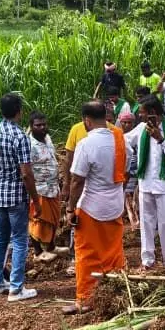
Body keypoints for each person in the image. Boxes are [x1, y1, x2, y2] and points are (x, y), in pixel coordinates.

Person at [66, 101, 128, 315]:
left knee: (87, 253)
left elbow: (77, 181)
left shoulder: (86, 144)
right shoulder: (120, 140)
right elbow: (126, 169)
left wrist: (69, 208)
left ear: (86, 120)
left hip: (91, 206)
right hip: (115, 203)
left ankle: (85, 299)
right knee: (113, 251)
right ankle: (117, 292)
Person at [0, 93, 40, 301]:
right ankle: (16, 288)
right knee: (19, 241)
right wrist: (35, 198)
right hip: (16, 196)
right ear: (19, 111)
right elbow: (26, 173)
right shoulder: (19, 136)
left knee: (1, 238)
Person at [123, 96, 165, 271]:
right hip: (146, 184)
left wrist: (161, 139)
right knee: (146, 224)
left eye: (143, 113)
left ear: (153, 112)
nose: (141, 117)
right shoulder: (141, 129)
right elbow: (123, 140)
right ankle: (148, 260)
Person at [27, 111, 62, 263]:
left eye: (44, 124)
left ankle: (51, 246)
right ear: (31, 126)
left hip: (53, 187)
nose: (42, 127)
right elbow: (26, 168)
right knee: (39, 219)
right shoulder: (29, 144)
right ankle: (38, 251)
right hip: (39, 188)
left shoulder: (47, 138)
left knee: (54, 218)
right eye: (38, 125)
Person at [118, 108, 140, 229]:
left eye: (130, 122)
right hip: (125, 171)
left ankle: (135, 222)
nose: (127, 125)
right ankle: (133, 222)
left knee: (134, 197)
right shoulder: (118, 136)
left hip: (136, 171)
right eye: (124, 122)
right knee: (127, 195)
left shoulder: (136, 136)